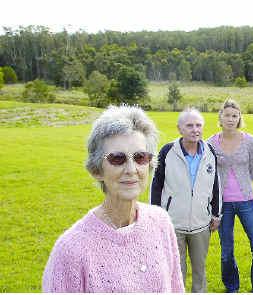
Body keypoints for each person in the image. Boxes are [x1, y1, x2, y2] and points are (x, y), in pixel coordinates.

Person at [42, 105, 184, 292]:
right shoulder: (70, 251)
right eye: (118, 159)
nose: (131, 170)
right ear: (96, 170)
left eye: (140, 157)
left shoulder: (161, 222)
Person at [150, 107, 222, 293]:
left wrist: (216, 214)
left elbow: (216, 185)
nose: (195, 129)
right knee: (176, 271)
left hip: (201, 224)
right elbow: (156, 186)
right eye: (189, 125)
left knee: (200, 271)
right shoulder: (167, 151)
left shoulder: (210, 152)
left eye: (198, 125)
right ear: (179, 128)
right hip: (173, 224)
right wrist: (156, 217)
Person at [207, 99, 253, 293]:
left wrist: (243, 187)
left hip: (246, 201)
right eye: (227, 115)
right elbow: (209, 173)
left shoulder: (250, 141)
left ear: (239, 117)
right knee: (226, 252)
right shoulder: (211, 143)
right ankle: (232, 287)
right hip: (222, 205)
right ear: (220, 117)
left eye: (235, 115)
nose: (231, 119)